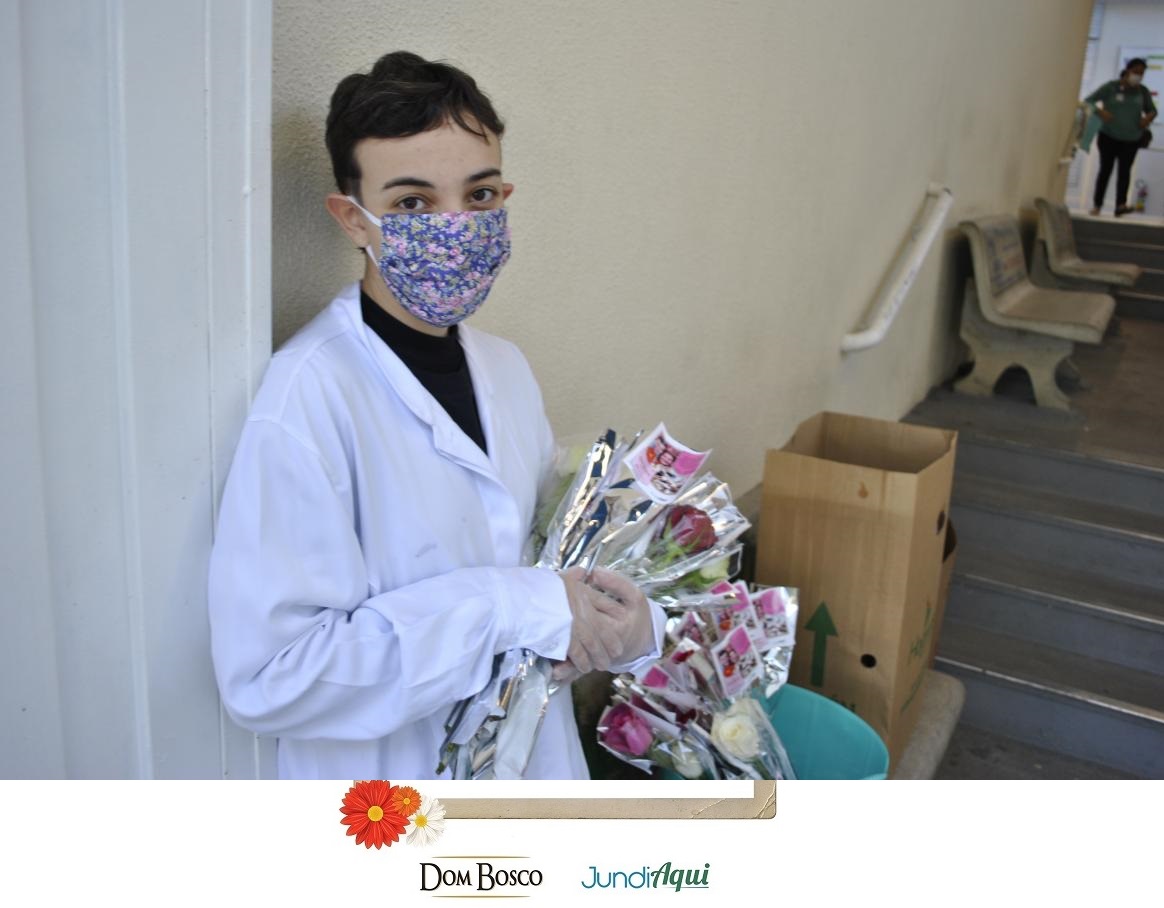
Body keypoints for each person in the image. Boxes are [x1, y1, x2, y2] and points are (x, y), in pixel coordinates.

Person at [207, 51, 665, 780]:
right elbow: (274, 677)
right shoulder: (308, 397)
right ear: (352, 219)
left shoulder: (507, 370)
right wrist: (509, 607)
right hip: (389, 794)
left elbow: (546, 564)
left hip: (527, 766)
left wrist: (627, 624)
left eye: (479, 195)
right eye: (413, 204)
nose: (455, 225)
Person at [1086, 58, 1157, 217]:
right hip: (1108, 136)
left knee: (1125, 172)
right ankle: (1097, 205)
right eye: (1136, 71)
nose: (1138, 76)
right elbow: (1088, 101)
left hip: (1131, 139)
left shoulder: (1142, 91)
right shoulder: (1111, 87)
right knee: (1105, 170)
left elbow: (1152, 110)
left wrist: (1147, 118)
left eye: (1141, 73)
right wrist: (1100, 112)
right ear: (1128, 70)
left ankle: (1120, 205)